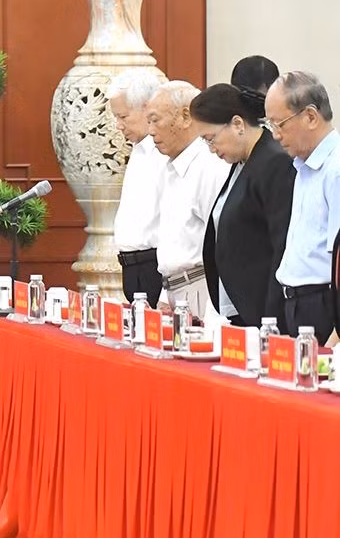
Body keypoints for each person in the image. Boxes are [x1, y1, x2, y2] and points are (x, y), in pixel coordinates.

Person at [191, 82, 293, 327]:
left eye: (211, 139)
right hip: (239, 306)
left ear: (237, 124)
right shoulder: (241, 162)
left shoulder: (273, 162)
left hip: (263, 312)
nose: (212, 149)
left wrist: (271, 319)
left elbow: (280, 246)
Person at [146, 80, 229, 322]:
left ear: (184, 116)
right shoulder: (170, 167)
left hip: (202, 290)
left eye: (155, 120)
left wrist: (213, 313)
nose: (150, 130)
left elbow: (220, 243)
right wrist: (165, 293)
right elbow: (175, 238)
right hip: (175, 290)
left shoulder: (209, 166)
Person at [268, 71, 340, 343]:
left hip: (323, 307)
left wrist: (337, 336)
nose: (275, 135)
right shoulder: (303, 166)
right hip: (295, 303)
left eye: (279, 124)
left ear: (310, 116)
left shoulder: (335, 170)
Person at [108, 69, 168, 305]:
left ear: (146, 108)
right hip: (131, 266)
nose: (118, 126)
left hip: (155, 266)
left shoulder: (164, 151)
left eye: (123, 117)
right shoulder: (138, 147)